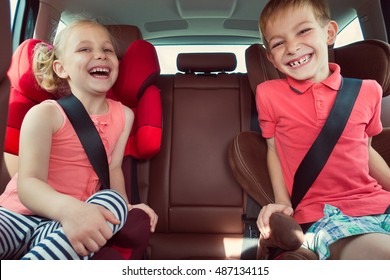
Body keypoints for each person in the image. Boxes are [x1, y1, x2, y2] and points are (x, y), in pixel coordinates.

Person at [0, 19, 158, 260]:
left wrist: (126, 208)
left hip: (68, 225)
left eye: (108, 50)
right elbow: (29, 185)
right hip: (16, 214)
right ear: (61, 68)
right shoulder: (46, 113)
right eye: (85, 49)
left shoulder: (124, 115)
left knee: (112, 200)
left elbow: (113, 169)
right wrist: (69, 210)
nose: (101, 55)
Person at [255, 0, 390, 259]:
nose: (292, 47)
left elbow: (366, 149)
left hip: (380, 203)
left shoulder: (368, 90)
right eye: (278, 43)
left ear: (328, 33)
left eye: (303, 31)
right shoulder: (269, 94)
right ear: (270, 58)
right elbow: (273, 148)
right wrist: (284, 204)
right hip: (325, 213)